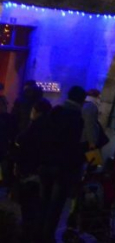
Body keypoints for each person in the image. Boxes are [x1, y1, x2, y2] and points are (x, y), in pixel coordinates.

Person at [37, 85, 86, 242]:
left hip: (47, 162)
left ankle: (39, 234)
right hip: (63, 166)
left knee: (44, 201)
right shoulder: (77, 118)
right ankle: (47, 235)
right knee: (56, 204)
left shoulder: (55, 112)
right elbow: (75, 144)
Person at [14, 99, 50, 242]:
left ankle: (28, 235)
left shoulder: (33, 128)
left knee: (28, 208)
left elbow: (23, 144)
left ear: (36, 111)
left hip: (30, 173)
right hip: (43, 173)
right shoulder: (50, 127)